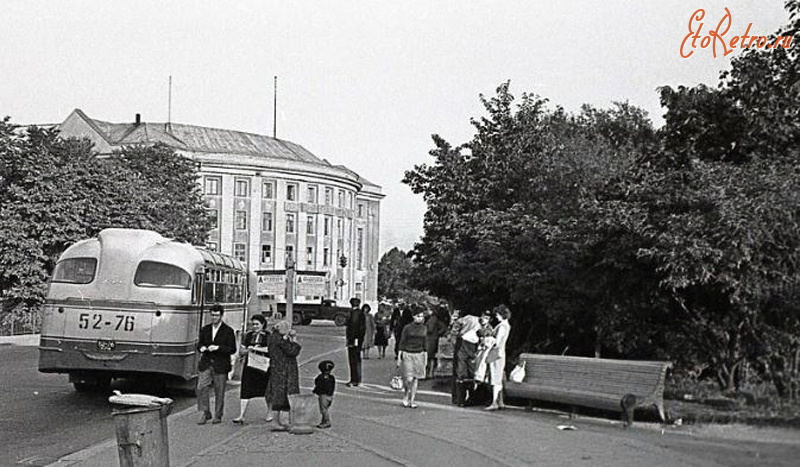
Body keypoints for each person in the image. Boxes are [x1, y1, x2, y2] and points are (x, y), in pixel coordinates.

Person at [196, 304, 237, 425]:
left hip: (221, 364)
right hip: (206, 362)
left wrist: (218, 347)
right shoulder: (205, 329)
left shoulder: (228, 331)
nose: (214, 317)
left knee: (220, 390)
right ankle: (205, 412)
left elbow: (232, 349)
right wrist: (202, 348)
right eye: (212, 315)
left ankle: (218, 415)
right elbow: (199, 344)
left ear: (221, 316)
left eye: (216, 315)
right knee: (201, 387)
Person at [233, 314, 272, 424]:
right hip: (250, 365)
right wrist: (247, 350)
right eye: (253, 324)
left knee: (266, 390)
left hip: (264, 367)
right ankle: (241, 415)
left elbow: (271, 349)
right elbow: (241, 351)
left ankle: (269, 412)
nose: (254, 326)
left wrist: (256, 348)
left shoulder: (268, 335)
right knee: (245, 388)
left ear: (263, 324)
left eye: (257, 324)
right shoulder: (249, 335)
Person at [265, 320, 302, 429]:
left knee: (278, 395)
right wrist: (294, 339)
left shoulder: (272, 338)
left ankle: (280, 421)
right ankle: (280, 422)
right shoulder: (280, 340)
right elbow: (293, 351)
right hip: (284, 370)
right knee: (283, 395)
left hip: (276, 369)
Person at [396, 309, 427, 408]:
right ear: (413, 316)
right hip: (408, 353)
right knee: (408, 378)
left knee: (415, 378)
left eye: (422, 316)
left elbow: (426, 344)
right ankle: (406, 394)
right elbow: (402, 342)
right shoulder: (407, 328)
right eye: (418, 316)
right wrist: (399, 358)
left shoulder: (424, 328)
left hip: (419, 354)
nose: (420, 318)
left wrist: (425, 358)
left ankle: (412, 400)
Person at [451, 310, 481, 406]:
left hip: (462, 344)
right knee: (472, 372)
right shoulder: (479, 321)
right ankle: (472, 398)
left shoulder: (463, 320)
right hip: (472, 346)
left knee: (460, 373)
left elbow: (454, 333)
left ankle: (459, 399)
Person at [485, 305, 512, 411]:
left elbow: (497, 341)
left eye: (497, 314)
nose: (496, 316)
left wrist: (488, 341)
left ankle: (494, 402)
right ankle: (500, 401)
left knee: (495, 379)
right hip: (501, 354)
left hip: (496, 354)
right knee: (499, 377)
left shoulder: (502, 326)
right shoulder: (507, 325)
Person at [425, 306, 450, 379]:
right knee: (433, 357)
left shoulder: (432, 319)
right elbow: (443, 328)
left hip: (430, 339)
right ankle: (432, 373)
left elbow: (430, 329)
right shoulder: (437, 319)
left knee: (429, 358)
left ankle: (428, 373)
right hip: (434, 339)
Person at [345, 297, 366, 387]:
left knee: (353, 359)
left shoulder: (354, 313)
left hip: (354, 340)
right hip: (357, 339)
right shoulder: (361, 313)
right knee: (357, 360)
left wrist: (352, 339)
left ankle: (354, 379)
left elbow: (353, 328)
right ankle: (357, 379)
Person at [313, 360, 336, 429]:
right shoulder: (332, 377)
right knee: (326, 408)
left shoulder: (320, 378)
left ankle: (326, 421)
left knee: (323, 410)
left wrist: (315, 391)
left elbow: (318, 386)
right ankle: (323, 420)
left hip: (323, 395)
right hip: (330, 395)